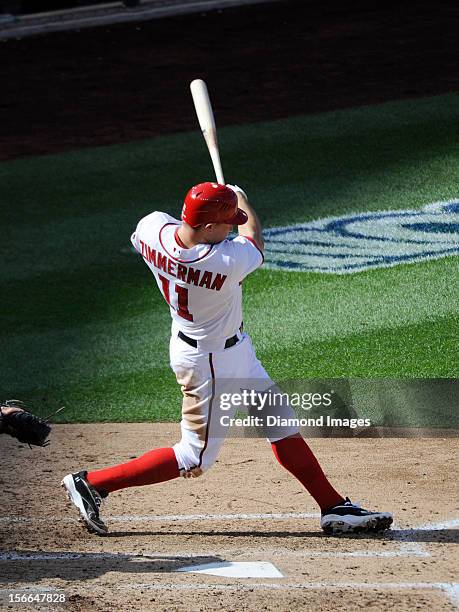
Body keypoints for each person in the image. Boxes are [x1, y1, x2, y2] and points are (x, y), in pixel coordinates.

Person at [62, 182, 392, 536]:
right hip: (211, 363)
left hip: (221, 348)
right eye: (226, 223)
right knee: (194, 457)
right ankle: (93, 484)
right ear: (207, 228)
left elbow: (178, 233)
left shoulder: (151, 228)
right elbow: (255, 239)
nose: (232, 226)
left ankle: (332, 507)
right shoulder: (224, 262)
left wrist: (218, 203)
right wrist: (242, 198)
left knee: (278, 418)